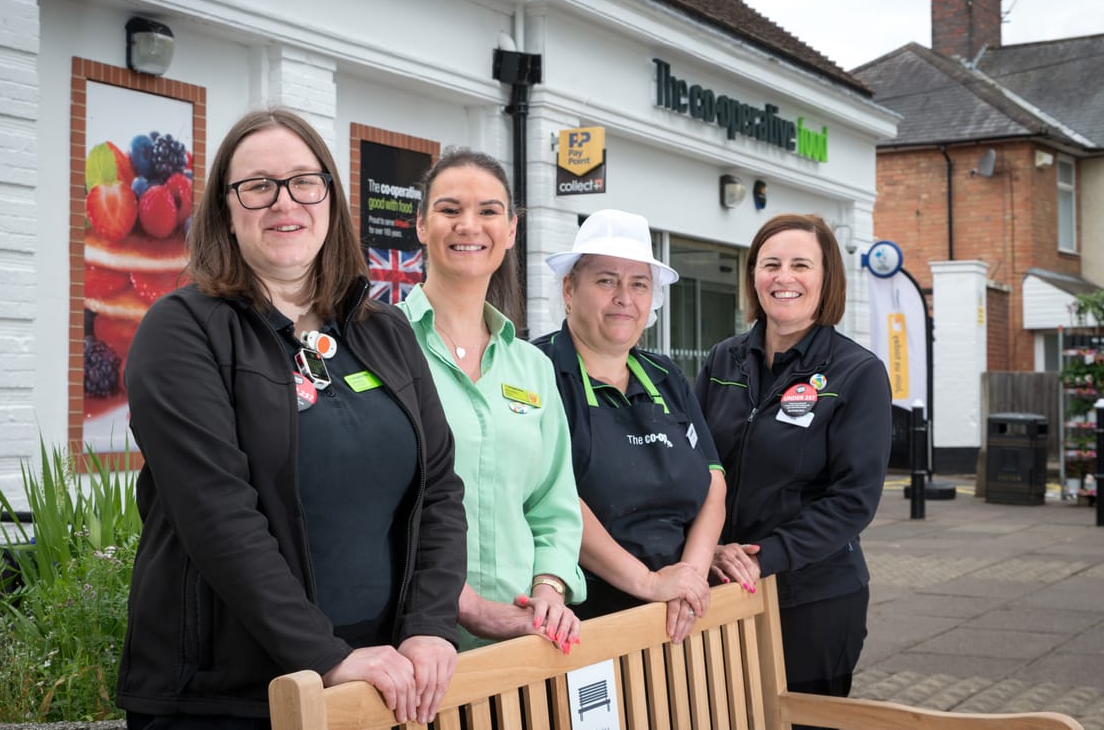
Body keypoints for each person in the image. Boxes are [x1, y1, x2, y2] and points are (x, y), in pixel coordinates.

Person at [117, 108, 467, 729]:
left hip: (382, 680)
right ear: (226, 209)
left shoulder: (382, 329)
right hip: (229, 698)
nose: (286, 203)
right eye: (257, 186)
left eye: (305, 182)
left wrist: (430, 628)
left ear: (330, 197)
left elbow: (440, 489)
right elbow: (219, 517)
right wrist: (324, 656)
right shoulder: (183, 330)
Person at [696, 213, 890, 711]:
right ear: (753, 277)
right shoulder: (722, 360)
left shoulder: (857, 372)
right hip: (721, 586)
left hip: (812, 599)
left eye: (801, 265)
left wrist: (761, 558)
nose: (784, 277)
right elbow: (693, 462)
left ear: (826, 281)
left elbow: (852, 502)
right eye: (770, 264)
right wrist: (708, 551)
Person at [399, 148, 585, 654]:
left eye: (487, 211)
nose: (468, 225)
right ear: (420, 225)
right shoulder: (381, 348)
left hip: (526, 640)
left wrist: (549, 588)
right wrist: (463, 603)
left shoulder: (533, 367)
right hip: (414, 643)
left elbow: (553, 505)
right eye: (449, 209)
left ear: (511, 230)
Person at [533, 209, 727, 645]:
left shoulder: (666, 376)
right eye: (606, 280)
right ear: (569, 288)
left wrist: (688, 580)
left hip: (678, 617)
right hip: (583, 622)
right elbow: (550, 497)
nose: (624, 297)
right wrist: (648, 582)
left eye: (638, 284)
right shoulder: (535, 370)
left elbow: (714, 480)